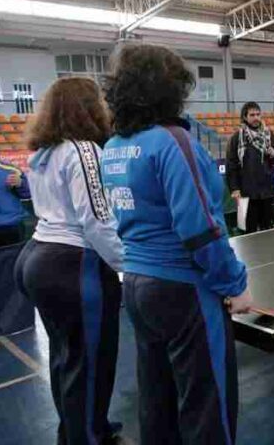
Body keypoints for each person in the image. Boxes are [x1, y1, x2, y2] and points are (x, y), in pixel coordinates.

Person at [101, 44, 257, 445]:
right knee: (207, 404)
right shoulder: (173, 140)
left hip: (136, 285)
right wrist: (235, 284)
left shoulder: (114, 147)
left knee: (157, 400)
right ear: (168, 89)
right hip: (183, 288)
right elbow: (200, 230)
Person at [15, 77, 124, 444]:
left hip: (37, 257)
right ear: (87, 107)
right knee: (92, 360)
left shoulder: (42, 151)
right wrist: (126, 263)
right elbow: (95, 218)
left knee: (66, 356)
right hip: (72, 264)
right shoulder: (83, 150)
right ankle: (88, 437)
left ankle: (82, 428)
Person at [226, 102, 274, 232]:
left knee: (268, 230)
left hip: (267, 192)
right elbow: (231, 165)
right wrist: (234, 188)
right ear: (245, 117)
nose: (256, 117)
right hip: (246, 193)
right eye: (252, 115)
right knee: (248, 231)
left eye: (258, 114)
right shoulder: (237, 138)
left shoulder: (269, 135)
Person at [0, 158, 29, 246]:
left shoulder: (10, 169)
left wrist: (20, 183)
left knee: (13, 258)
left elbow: (28, 193)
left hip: (10, 226)